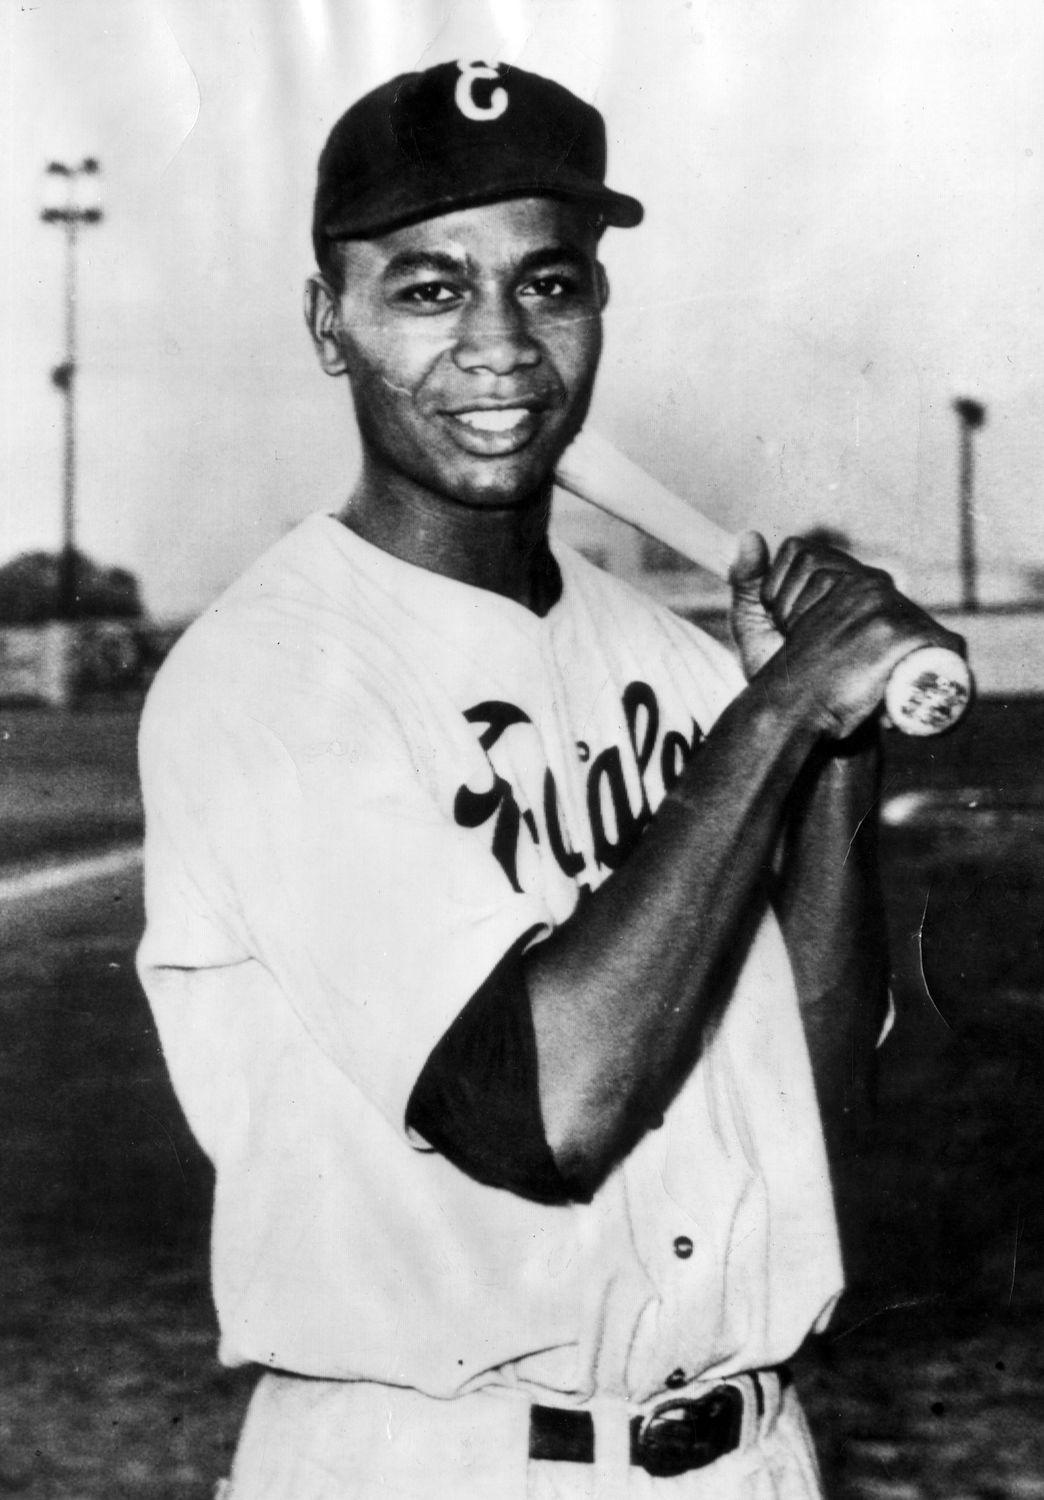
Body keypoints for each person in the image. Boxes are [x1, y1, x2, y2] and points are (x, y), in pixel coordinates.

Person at [137, 60, 960, 1499]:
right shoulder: (275, 675)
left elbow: (811, 1113)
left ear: (598, 306)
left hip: (749, 1455)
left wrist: (831, 748)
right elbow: (540, 1115)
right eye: (429, 289)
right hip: (430, 1459)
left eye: (550, 284)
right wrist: (778, 716)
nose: (502, 346)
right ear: (329, 324)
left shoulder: (679, 664)